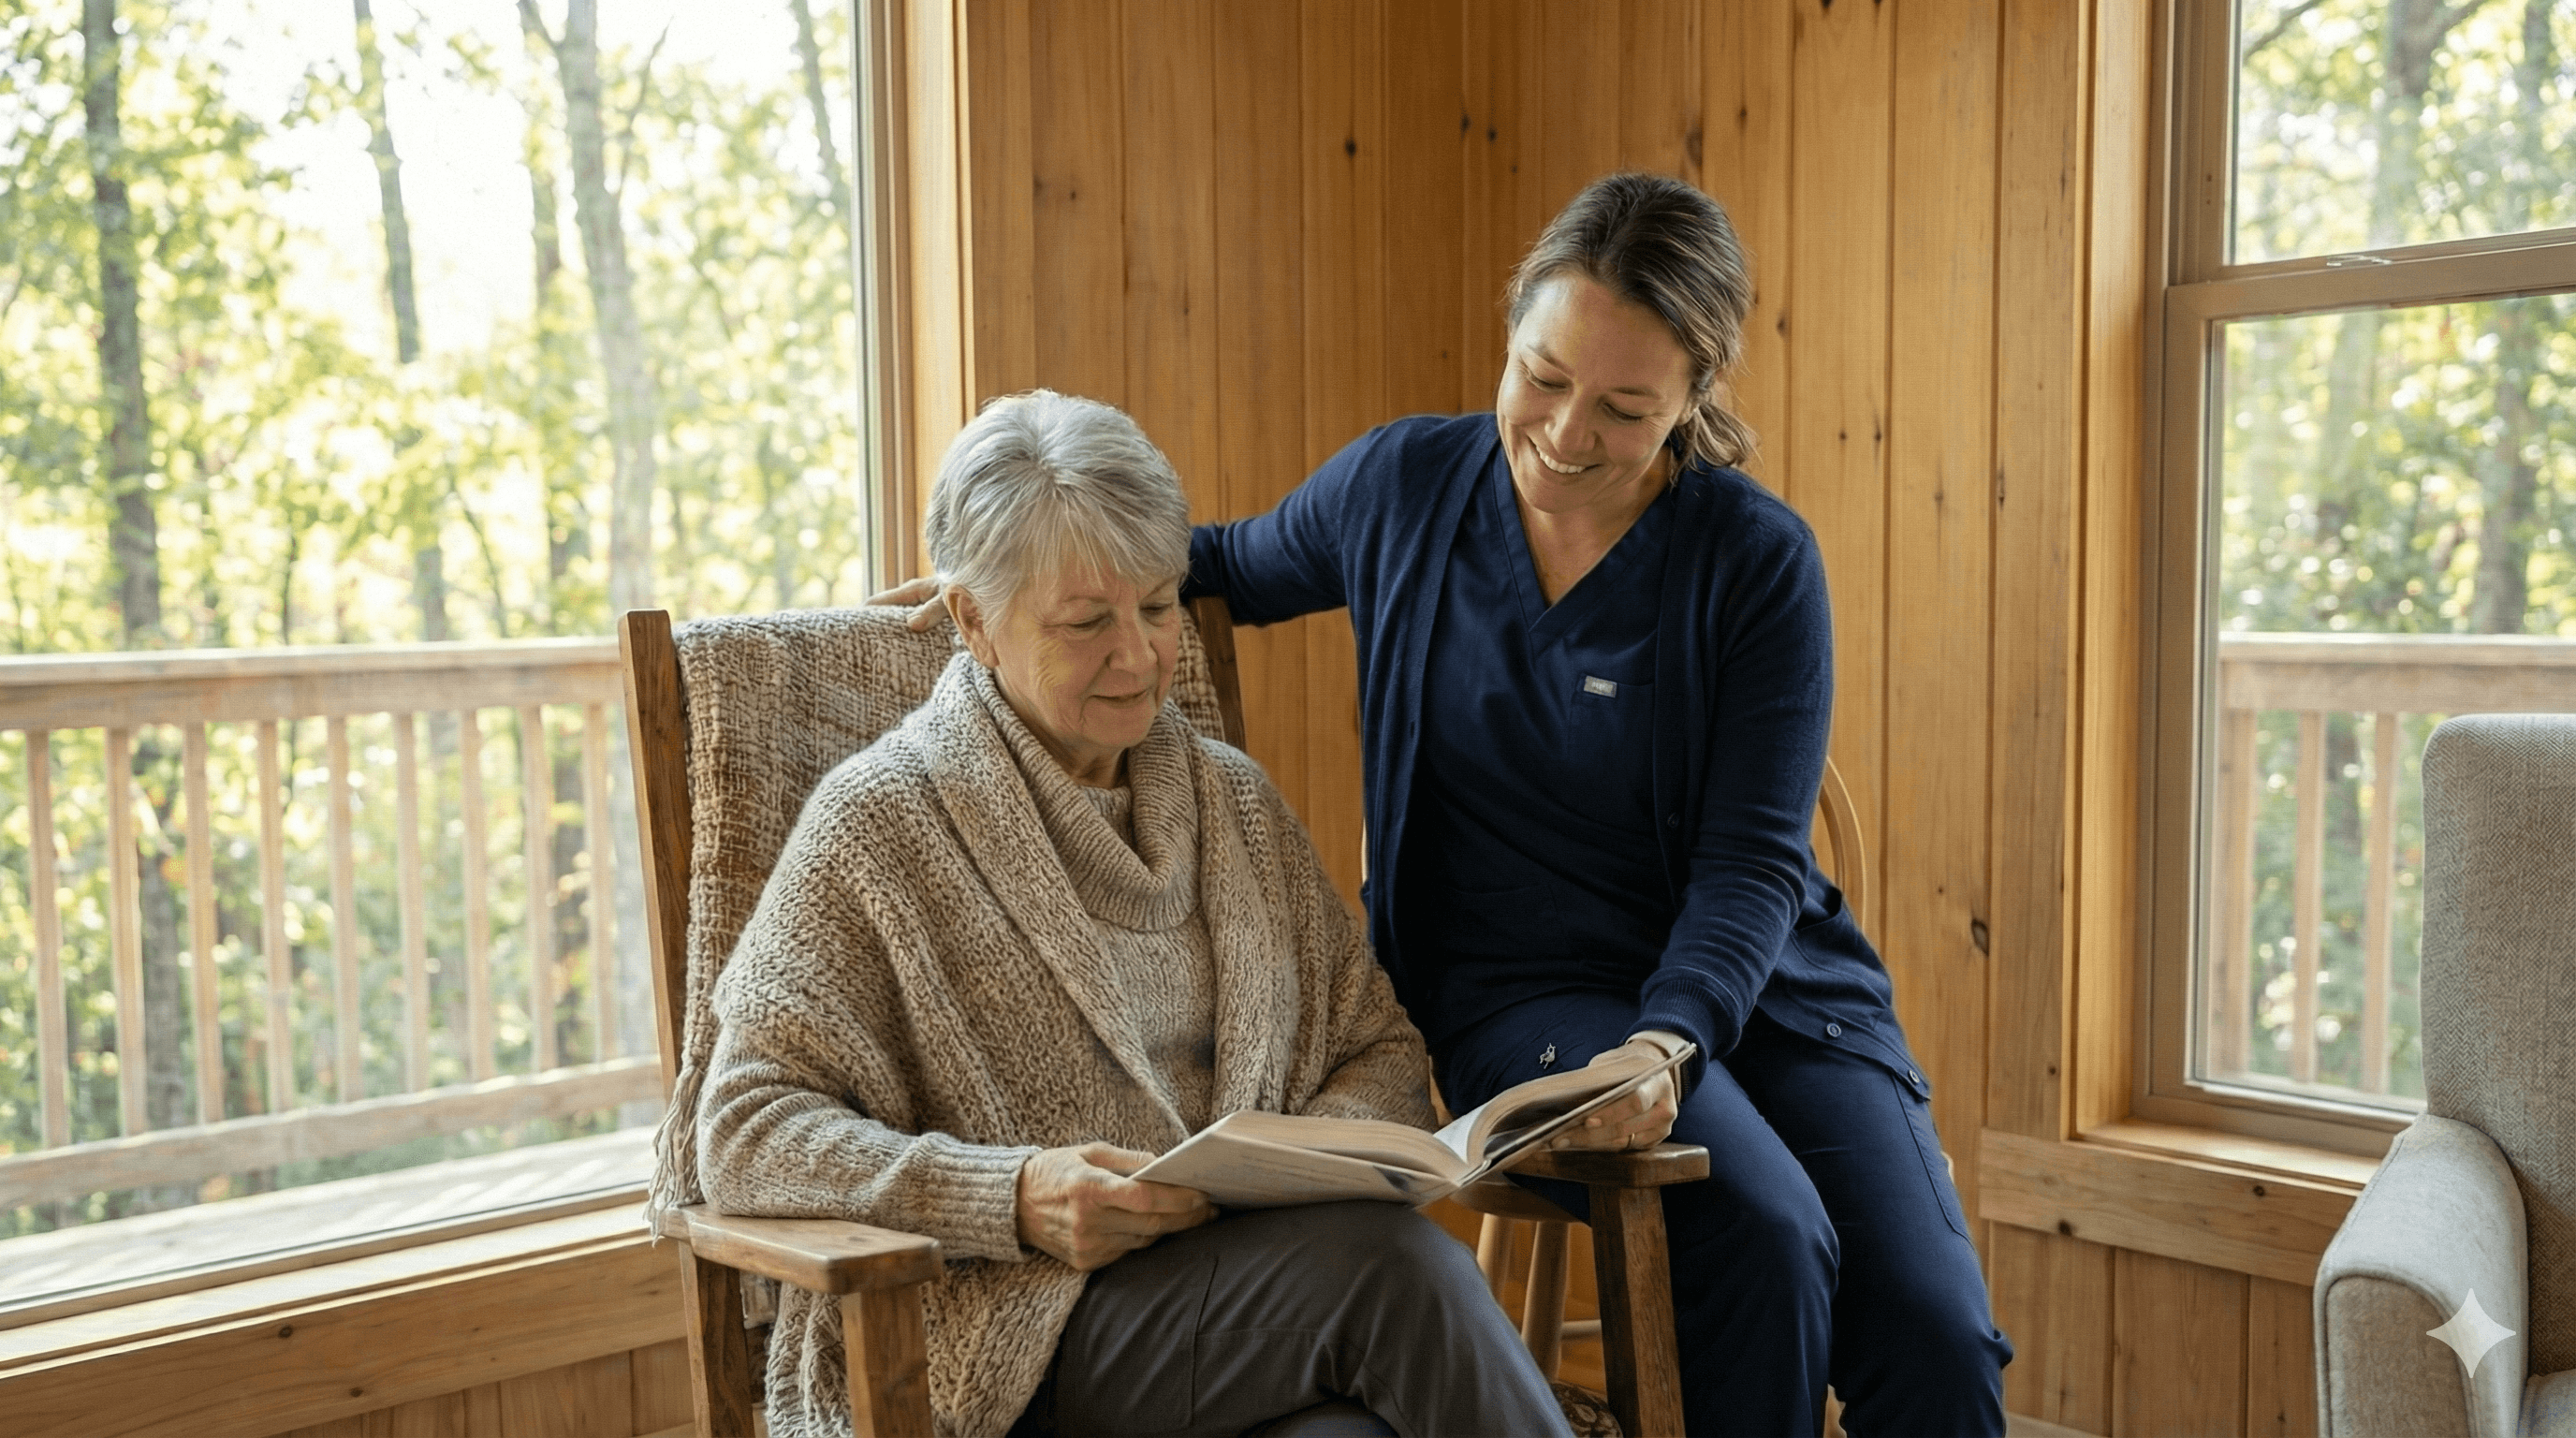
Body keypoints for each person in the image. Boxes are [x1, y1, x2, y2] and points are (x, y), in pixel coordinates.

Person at [1184, 173, 2012, 1434]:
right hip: (1521, 997)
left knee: (1935, 1329)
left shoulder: (1757, 564)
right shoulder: (1402, 489)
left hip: (1765, 992)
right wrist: (1018, 566)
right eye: (1543, 375)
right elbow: (1218, 563)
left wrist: (1669, 1041)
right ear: (1511, 331)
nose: (1568, 433)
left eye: (1627, 408)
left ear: (1695, 399)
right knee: (1768, 1233)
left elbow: (1750, 866)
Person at [670, 389, 1574, 1438]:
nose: (1142, 656)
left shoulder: (1235, 803)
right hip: (1019, 1335)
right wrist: (1009, 1196)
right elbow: (739, 1132)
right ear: (973, 621)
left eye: (1155, 605)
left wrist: (1290, 1164)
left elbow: (1375, 1048)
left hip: (1254, 1306)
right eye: (1088, 622)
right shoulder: (879, 824)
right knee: (1406, 1276)